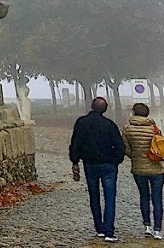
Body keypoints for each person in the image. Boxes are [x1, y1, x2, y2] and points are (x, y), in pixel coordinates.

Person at [70, 97, 126, 242]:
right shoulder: (110, 125)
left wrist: (75, 160)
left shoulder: (81, 123)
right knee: (110, 197)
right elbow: (120, 147)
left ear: (92, 107)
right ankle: (109, 231)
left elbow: (76, 142)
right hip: (108, 165)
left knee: (94, 196)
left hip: (89, 164)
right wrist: (116, 160)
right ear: (105, 109)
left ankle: (99, 227)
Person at [122, 102, 164, 240]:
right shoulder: (154, 128)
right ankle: (158, 230)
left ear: (134, 113)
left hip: (139, 169)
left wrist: (136, 156)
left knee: (144, 197)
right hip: (157, 170)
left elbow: (126, 149)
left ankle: (147, 226)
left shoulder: (127, 129)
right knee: (157, 199)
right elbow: (161, 146)